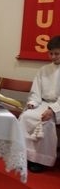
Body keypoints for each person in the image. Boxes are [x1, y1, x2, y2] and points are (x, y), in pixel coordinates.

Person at [19, 35, 60, 173]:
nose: (53, 56)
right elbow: (36, 91)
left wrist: (53, 110)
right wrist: (33, 102)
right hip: (43, 103)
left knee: (45, 121)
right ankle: (24, 154)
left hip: (57, 107)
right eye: (51, 53)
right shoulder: (44, 70)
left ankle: (39, 160)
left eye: (57, 53)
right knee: (26, 116)